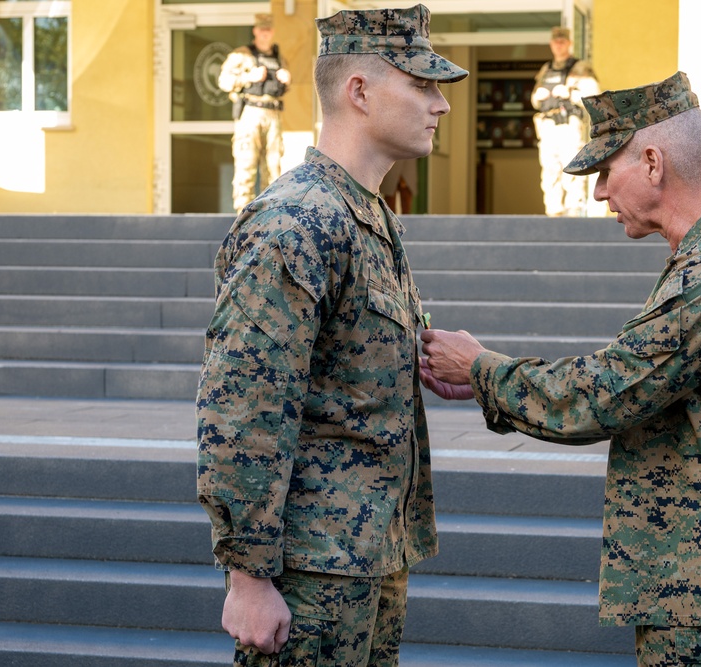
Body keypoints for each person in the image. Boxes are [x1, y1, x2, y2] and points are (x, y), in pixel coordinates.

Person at [420, 72, 701, 667]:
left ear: (653, 162)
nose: (599, 192)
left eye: (607, 170)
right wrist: (482, 378)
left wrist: (480, 367)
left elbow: (601, 395)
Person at [196, 4, 467, 665]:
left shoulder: (368, 216)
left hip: (368, 557)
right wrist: (250, 576)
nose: (442, 105)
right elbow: (243, 408)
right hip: (310, 574)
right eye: (423, 85)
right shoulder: (294, 224)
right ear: (359, 92)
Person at [218, 13, 292, 212]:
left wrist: (287, 79)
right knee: (246, 167)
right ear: (255, 31)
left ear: (273, 31)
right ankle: (242, 217)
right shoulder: (242, 55)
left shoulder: (278, 57)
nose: (265, 33)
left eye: (268, 29)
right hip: (251, 113)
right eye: (262, 29)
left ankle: (270, 215)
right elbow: (223, 82)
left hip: (273, 115)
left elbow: (281, 88)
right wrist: (248, 77)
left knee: (274, 168)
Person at [531, 26, 600, 217]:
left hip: (569, 125)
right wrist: (539, 95)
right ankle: (553, 213)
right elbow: (534, 100)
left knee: (571, 169)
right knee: (550, 171)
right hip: (548, 125)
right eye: (555, 42)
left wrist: (570, 93)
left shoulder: (580, 68)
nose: (558, 46)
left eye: (562, 41)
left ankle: (573, 212)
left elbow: (593, 96)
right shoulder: (547, 69)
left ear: (569, 43)